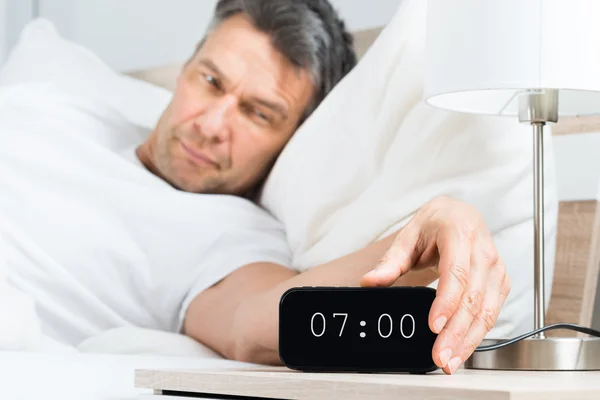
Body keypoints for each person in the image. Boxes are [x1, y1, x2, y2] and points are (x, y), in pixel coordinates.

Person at [0, 0, 509, 376]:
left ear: (293, 140)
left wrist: (428, 233)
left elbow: (256, 321)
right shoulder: (57, 103)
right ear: (187, 66)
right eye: (211, 81)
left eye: (258, 112)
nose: (212, 123)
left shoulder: (229, 237)